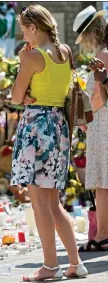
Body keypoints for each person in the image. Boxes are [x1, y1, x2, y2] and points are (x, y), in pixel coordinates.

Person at [10, 5, 88, 281]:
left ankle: (50, 266)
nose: (23, 34)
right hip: (58, 126)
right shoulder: (65, 52)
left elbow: (16, 96)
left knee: (39, 203)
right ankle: (75, 263)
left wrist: (23, 63)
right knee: (53, 203)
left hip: (36, 127)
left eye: (23, 28)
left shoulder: (32, 56)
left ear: (33, 27)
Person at [73, 6, 108, 252]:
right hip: (101, 122)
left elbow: (98, 97)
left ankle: (104, 234)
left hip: (102, 123)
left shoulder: (103, 55)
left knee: (103, 183)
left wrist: (83, 118)